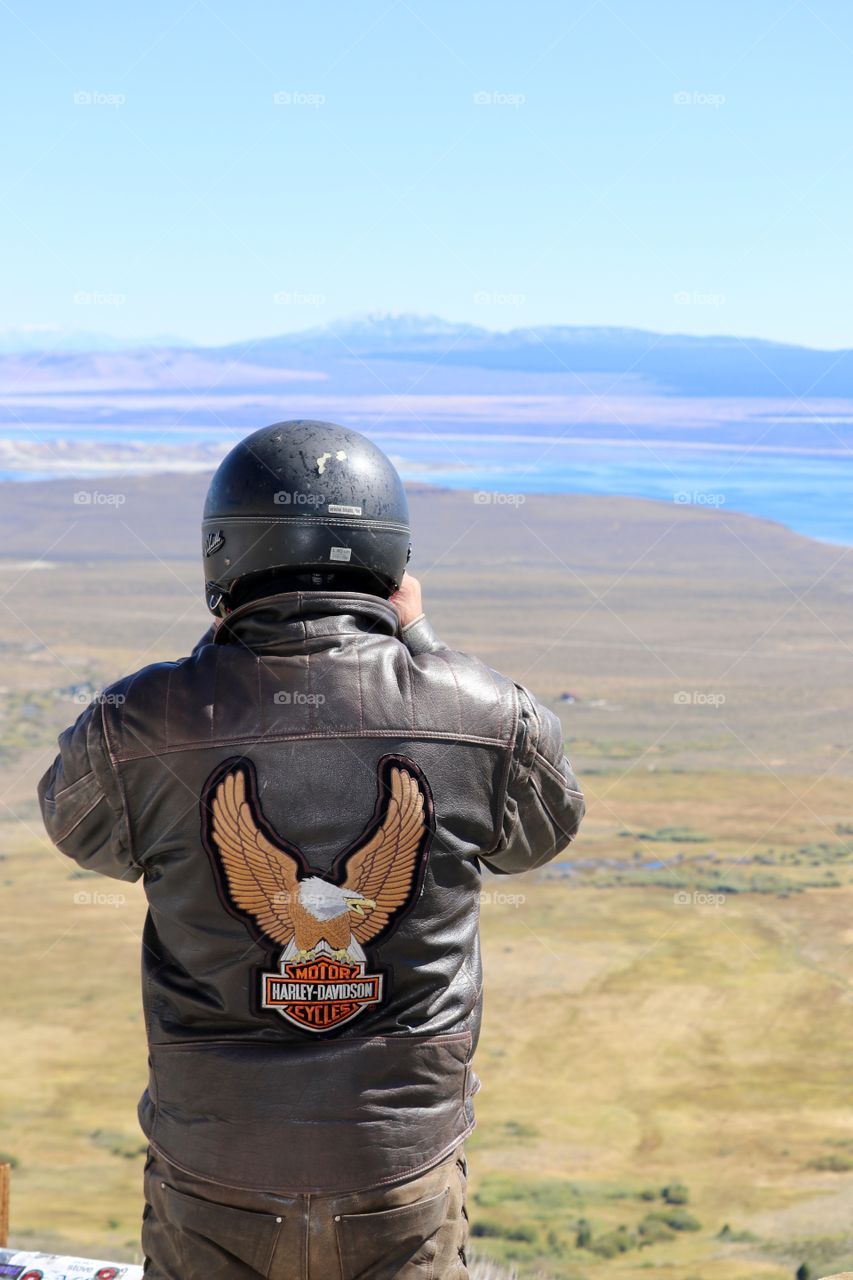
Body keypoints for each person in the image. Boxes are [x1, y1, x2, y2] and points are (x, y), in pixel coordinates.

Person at [38, 420, 585, 1280]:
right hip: (397, 1164)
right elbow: (538, 836)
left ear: (223, 554)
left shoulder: (138, 723)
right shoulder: (486, 716)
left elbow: (87, 836)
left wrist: (209, 667)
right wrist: (424, 645)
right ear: (392, 561)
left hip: (217, 1164)